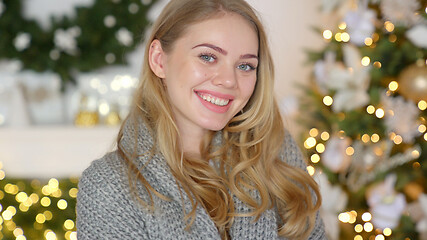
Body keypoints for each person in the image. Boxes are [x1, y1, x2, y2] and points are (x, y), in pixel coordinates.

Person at [77, 0, 326, 239]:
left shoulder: (276, 150)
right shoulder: (108, 186)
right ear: (159, 59)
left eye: (245, 66)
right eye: (208, 57)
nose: (228, 80)